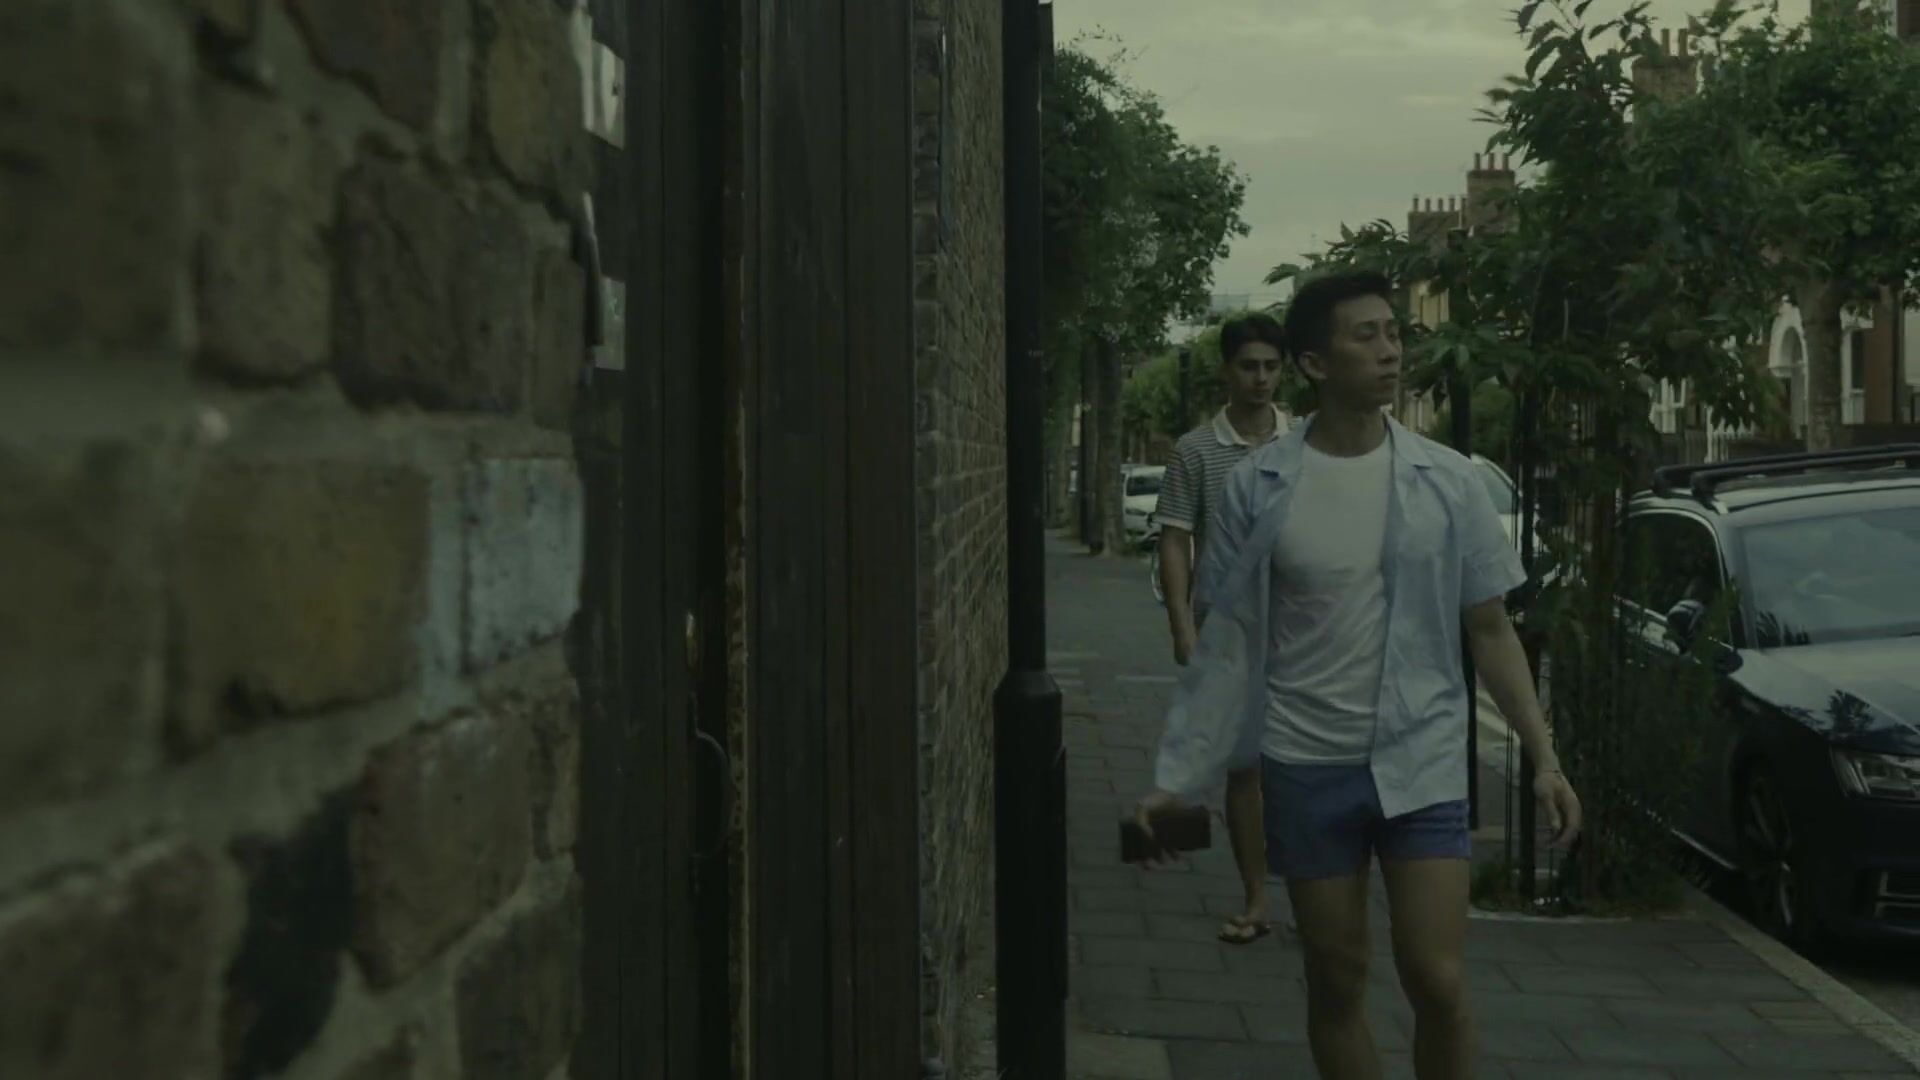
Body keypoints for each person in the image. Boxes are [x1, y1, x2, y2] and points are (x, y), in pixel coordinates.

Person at [1134, 270, 1582, 1080]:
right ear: (1314, 363)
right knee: (1337, 980)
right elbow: (1228, 646)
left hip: (1422, 759)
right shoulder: (1258, 486)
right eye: (1366, 336)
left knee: (1437, 980)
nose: (1389, 351)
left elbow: (1490, 628)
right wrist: (1178, 780)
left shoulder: (1448, 479)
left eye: (1393, 333)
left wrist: (1542, 756)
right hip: (1306, 763)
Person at [1153, 311, 1292, 945]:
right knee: (1245, 767)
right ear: (1227, 371)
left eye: (1271, 367)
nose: (1261, 378)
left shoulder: (1304, 442)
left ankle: (1313, 891)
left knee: (1304, 763)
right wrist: (1183, 627)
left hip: (1303, 622)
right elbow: (1175, 538)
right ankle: (1257, 896)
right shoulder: (1196, 449)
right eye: (1249, 366)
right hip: (1229, 625)